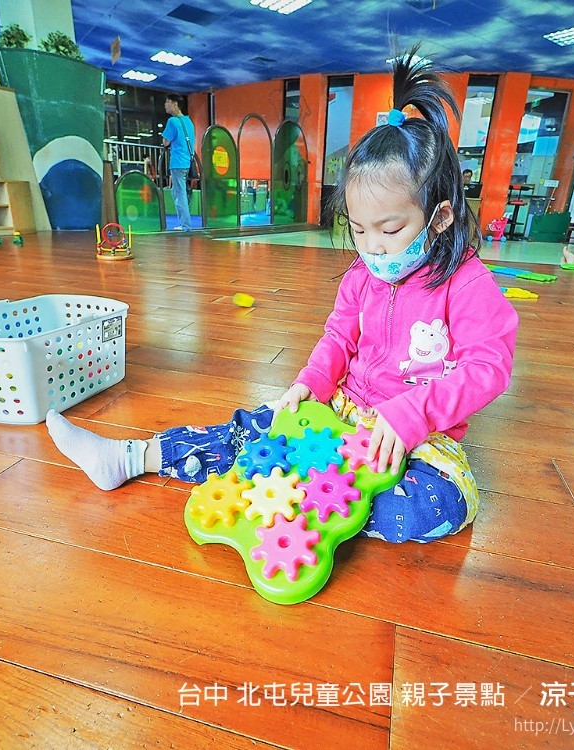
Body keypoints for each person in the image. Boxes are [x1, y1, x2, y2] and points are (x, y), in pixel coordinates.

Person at [46, 50, 519, 544]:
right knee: (255, 430)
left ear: (440, 217)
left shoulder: (466, 284)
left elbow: (489, 367)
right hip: (342, 410)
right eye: (358, 230)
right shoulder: (362, 274)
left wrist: (413, 414)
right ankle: (130, 458)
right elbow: (338, 336)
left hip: (422, 432)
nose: (373, 247)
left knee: (437, 505)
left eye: (391, 229)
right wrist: (312, 382)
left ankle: (306, 500)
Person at [161, 94, 195, 232]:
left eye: (168, 102)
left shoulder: (172, 121)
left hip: (177, 162)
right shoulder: (189, 121)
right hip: (187, 162)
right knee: (183, 193)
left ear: (175, 104)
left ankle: (185, 225)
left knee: (179, 194)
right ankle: (185, 224)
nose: (165, 105)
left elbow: (165, 142)